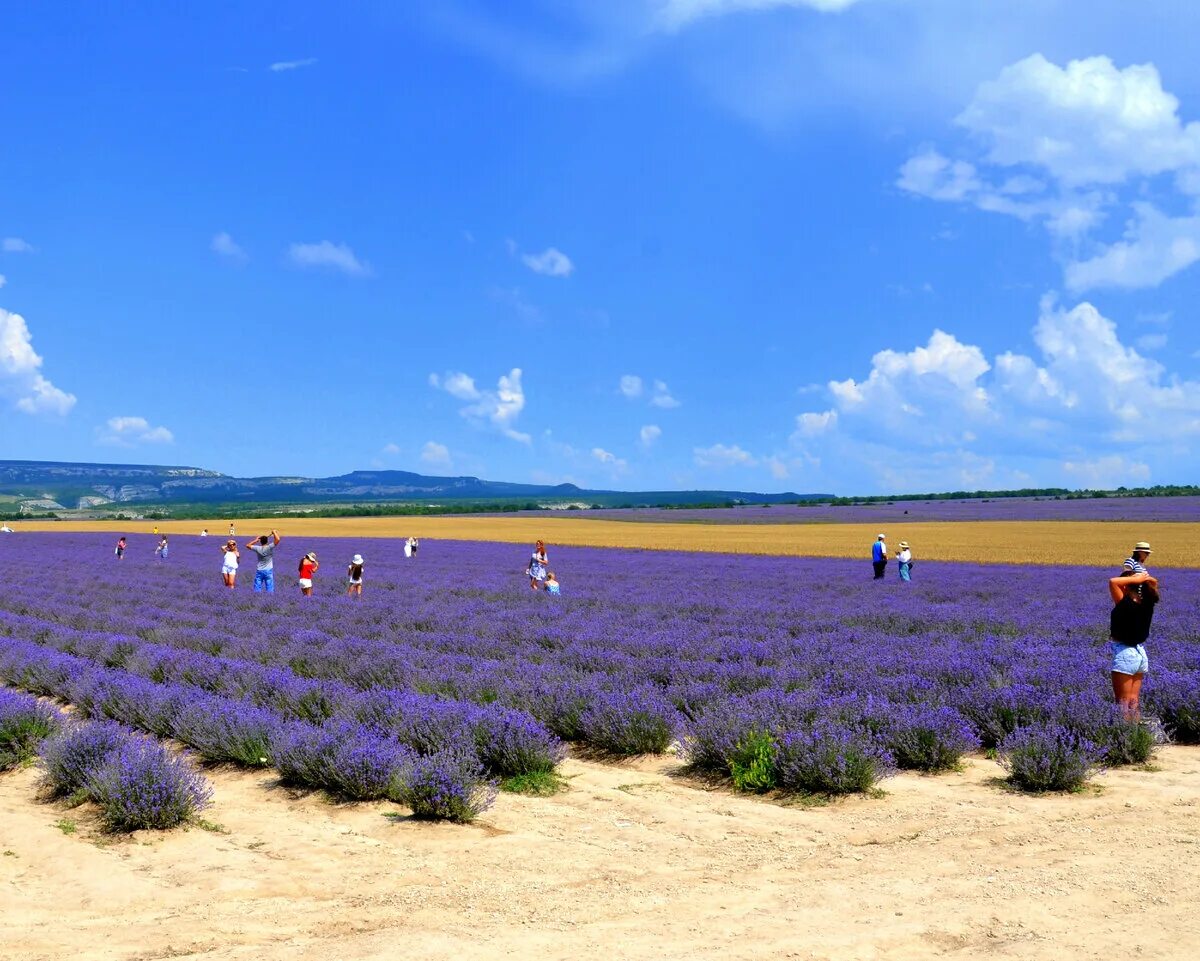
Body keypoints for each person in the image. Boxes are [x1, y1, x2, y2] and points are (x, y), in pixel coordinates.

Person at [1109, 568, 1159, 720]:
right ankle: (1135, 734)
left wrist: (1135, 579)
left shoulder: (1125, 603)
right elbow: (1154, 582)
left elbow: (1113, 582)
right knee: (1133, 701)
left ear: (1126, 585)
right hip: (1140, 654)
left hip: (1125, 653)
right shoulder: (1147, 603)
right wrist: (1142, 578)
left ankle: (1125, 740)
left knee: (1122, 703)